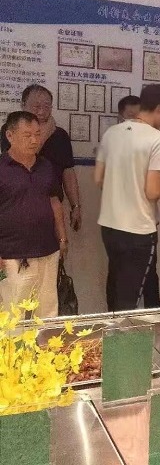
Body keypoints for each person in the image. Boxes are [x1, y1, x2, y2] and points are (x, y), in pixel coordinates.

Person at [95, 84, 160, 311]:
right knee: (130, 299)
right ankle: (125, 334)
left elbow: (98, 178)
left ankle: (112, 331)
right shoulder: (157, 139)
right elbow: (152, 191)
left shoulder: (112, 133)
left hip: (110, 226)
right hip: (138, 230)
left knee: (115, 286)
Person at [0, 111, 67, 317]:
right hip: (13, 254)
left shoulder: (45, 166)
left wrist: (62, 237)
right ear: (10, 135)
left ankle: (46, 341)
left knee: (48, 312)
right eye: (27, 135)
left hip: (48, 250)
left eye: (37, 134)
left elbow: (54, 201)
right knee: (14, 314)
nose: (34, 140)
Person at [0, 84, 82, 231]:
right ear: (23, 105)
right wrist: (45, 132)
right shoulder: (10, 130)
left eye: (47, 106)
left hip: (52, 206)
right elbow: (22, 161)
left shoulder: (60, 135)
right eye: (36, 106)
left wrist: (75, 206)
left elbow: (68, 172)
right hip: (18, 206)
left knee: (54, 244)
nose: (42, 111)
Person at [116, 94, 160, 309]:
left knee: (150, 276)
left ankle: (155, 321)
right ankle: (116, 320)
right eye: (130, 117)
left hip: (147, 224)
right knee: (118, 274)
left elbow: (156, 189)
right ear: (120, 118)